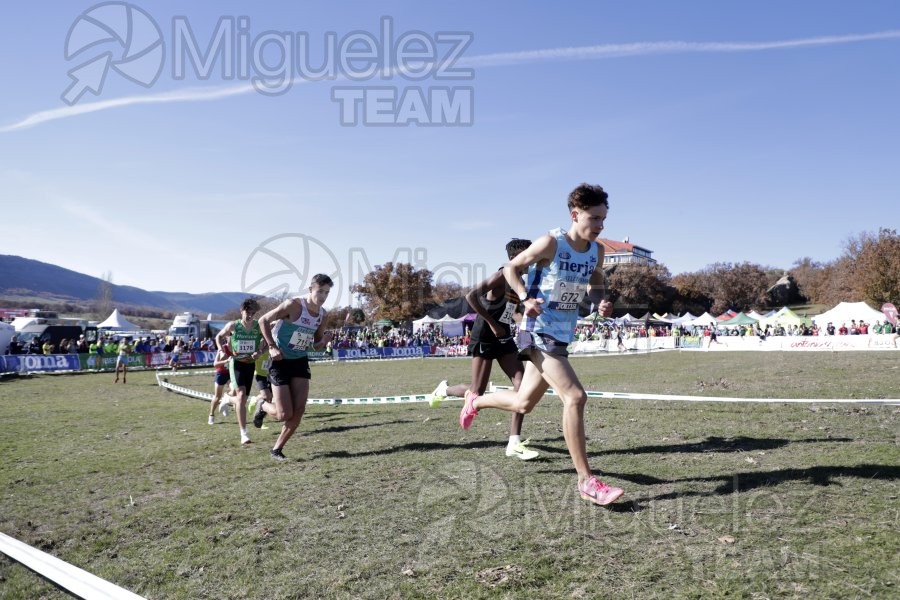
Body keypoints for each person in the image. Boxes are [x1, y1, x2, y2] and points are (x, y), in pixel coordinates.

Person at [457, 183, 623, 506]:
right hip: (536, 331)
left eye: (604, 219)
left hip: (561, 335)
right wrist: (524, 298)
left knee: (522, 403)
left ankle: (473, 402)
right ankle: (587, 482)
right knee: (575, 397)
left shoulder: (596, 251)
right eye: (595, 218)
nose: (601, 226)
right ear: (575, 215)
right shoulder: (551, 242)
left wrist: (601, 301)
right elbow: (511, 267)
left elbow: (596, 283)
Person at [431, 238, 539, 461]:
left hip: (505, 337)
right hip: (486, 335)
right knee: (476, 392)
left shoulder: (520, 281)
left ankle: (514, 442)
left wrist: (522, 319)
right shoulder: (502, 274)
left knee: (522, 387)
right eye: (528, 254)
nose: (532, 258)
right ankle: (443, 390)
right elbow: (471, 297)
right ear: (514, 257)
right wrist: (492, 323)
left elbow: (513, 310)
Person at [256, 274, 334, 461]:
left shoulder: (323, 315)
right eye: (319, 291)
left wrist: (324, 340)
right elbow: (263, 321)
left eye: (327, 292)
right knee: (284, 414)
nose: (323, 296)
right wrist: (272, 347)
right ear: (310, 289)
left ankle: (277, 449)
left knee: (298, 411)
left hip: (300, 361)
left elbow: (314, 345)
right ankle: (262, 405)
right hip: (280, 360)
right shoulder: (294, 305)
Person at [215, 298, 264, 446]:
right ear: (241, 311)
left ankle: (227, 399)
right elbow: (218, 336)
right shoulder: (233, 326)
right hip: (236, 363)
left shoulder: (258, 326)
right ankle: (244, 434)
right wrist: (220, 348)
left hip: (250, 365)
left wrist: (260, 352)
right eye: (247, 312)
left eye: (253, 313)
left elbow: (267, 341)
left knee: (242, 398)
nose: (250, 315)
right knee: (242, 397)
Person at [208, 344, 233, 425]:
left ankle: (224, 402)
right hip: (221, 374)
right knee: (217, 397)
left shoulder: (237, 347)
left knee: (234, 390)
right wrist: (226, 361)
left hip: (230, 374)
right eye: (230, 336)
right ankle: (211, 415)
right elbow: (215, 364)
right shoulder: (222, 348)